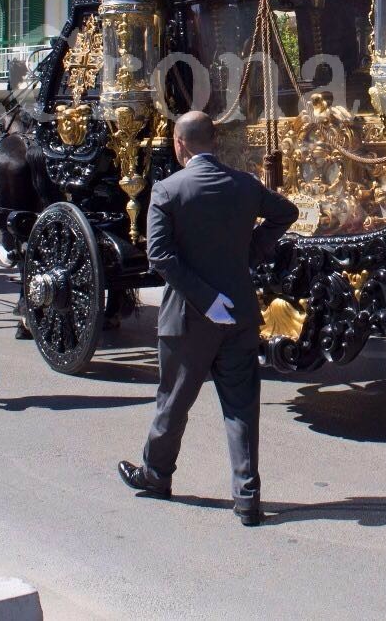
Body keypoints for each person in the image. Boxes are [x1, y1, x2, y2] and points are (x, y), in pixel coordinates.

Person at [118, 110, 298, 526]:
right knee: (241, 407)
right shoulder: (244, 185)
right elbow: (284, 213)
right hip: (238, 312)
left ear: (180, 144)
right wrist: (247, 255)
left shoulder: (167, 191)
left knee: (174, 402)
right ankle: (247, 497)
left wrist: (204, 297)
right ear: (212, 142)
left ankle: (156, 475)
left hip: (188, 316)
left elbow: (160, 255)